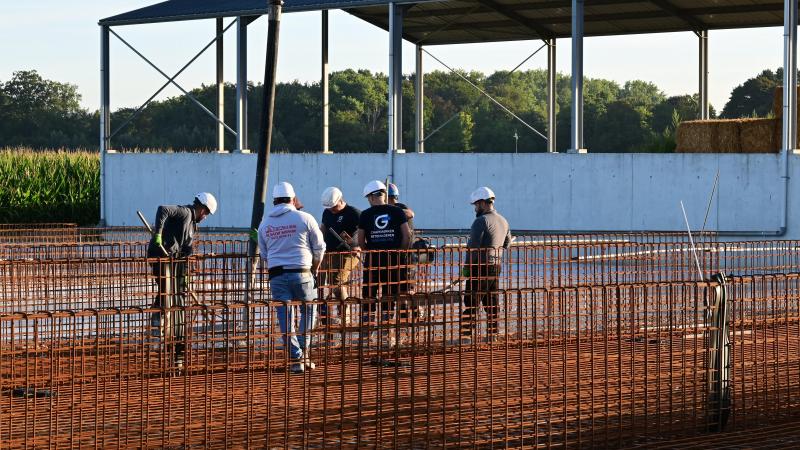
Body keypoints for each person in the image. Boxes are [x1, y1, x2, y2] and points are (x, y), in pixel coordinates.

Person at [258, 182, 326, 374]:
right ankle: (303, 352)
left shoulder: (265, 223)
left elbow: (264, 254)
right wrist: (315, 267)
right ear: (293, 199)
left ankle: (297, 358)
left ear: (274, 200)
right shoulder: (304, 217)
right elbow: (319, 247)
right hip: (303, 272)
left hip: (277, 276)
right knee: (309, 311)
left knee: (285, 318)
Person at [148, 192, 218, 369]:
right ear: (202, 208)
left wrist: (185, 273)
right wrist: (158, 234)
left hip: (174, 262)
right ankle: (157, 319)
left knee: (173, 292)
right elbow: (162, 210)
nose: (205, 216)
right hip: (160, 256)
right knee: (167, 289)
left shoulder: (192, 226)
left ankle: (161, 323)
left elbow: (187, 249)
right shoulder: (185, 212)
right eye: (206, 213)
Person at [357, 180, 411, 331]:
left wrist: (370, 251)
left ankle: (368, 330)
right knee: (390, 294)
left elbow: (361, 240)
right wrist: (399, 252)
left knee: (369, 294)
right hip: (394, 260)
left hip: (373, 260)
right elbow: (407, 235)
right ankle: (387, 331)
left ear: (371, 197)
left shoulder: (366, 215)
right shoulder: (397, 212)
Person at [461, 186, 511, 342]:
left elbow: (473, 248)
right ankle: (492, 335)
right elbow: (507, 243)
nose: (475, 208)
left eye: (476, 205)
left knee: (471, 301)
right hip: (496, 266)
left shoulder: (480, 221)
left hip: (480, 266)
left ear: (482, 203)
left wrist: (467, 269)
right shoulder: (503, 220)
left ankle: (466, 337)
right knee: (491, 301)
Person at [319, 187, 361, 326]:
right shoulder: (327, 213)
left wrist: (356, 244)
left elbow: (362, 232)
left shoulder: (353, 213)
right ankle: (324, 314)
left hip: (348, 253)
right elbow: (323, 229)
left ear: (341, 200)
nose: (332, 210)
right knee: (326, 282)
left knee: (338, 282)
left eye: (334, 207)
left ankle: (344, 315)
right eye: (329, 207)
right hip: (329, 253)